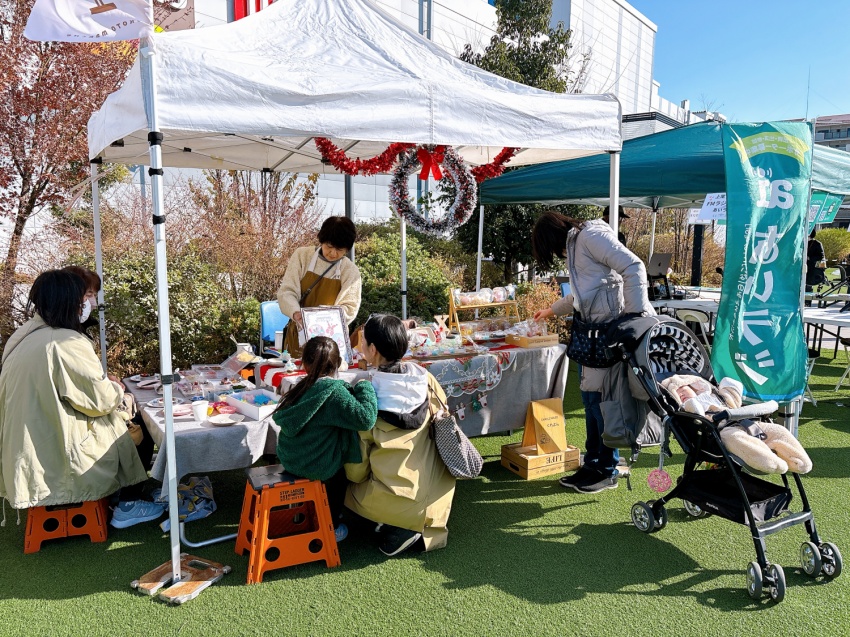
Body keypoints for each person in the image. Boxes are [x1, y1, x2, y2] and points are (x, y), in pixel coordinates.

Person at [0, 270, 161, 527]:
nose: (90, 304)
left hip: (28, 446)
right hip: (57, 451)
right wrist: (116, 388)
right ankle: (127, 503)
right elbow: (101, 401)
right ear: (68, 300)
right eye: (85, 297)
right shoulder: (66, 342)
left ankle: (125, 495)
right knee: (139, 423)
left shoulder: (23, 334)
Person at [532, 211, 654, 494]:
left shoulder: (589, 237)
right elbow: (582, 294)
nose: (557, 255)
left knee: (603, 403)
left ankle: (606, 469)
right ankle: (594, 463)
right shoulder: (577, 245)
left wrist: (633, 318)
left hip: (610, 335)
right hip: (593, 336)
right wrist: (551, 310)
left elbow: (634, 266)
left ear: (554, 237)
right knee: (591, 401)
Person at [344, 314, 456, 556]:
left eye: (363, 340)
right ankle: (405, 526)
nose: (360, 344)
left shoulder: (369, 397)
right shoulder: (426, 379)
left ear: (373, 349)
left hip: (397, 495)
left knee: (347, 494)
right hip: (438, 493)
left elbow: (357, 467)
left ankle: (398, 527)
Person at [273, 335, 378, 542]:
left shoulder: (298, 386)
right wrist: (364, 386)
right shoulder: (334, 393)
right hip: (317, 467)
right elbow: (366, 419)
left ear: (304, 363)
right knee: (340, 476)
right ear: (338, 364)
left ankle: (308, 511)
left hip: (290, 459)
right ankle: (332, 525)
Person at [277, 216, 362, 357]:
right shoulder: (302, 256)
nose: (333, 253)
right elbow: (287, 292)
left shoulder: (350, 271)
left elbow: (350, 307)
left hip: (332, 340)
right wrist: (296, 313)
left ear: (347, 249)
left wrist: (324, 318)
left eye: (339, 249)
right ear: (321, 240)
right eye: (329, 246)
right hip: (300, 332)